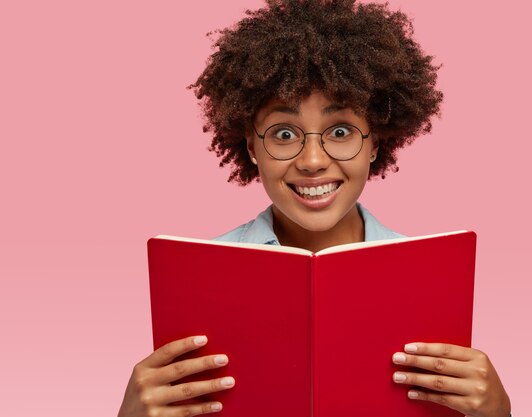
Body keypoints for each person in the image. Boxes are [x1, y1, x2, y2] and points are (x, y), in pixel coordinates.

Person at [118, 1, 511, 416]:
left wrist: (497, 413)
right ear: (252, 146)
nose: (311, 160)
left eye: (339, 131)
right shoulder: (193, 279)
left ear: (374, 142)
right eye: (284, 133)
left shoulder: (432, 279)